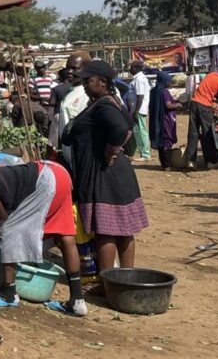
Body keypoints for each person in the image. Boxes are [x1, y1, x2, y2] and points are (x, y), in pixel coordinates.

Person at [62, 60, 148, 276]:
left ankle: (108, 281)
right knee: (123, 230)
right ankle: (125, 279)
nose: (84, 85)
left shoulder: (104, 105)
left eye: (88, 81)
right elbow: (129, 125)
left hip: (104, 174)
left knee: (105, 232)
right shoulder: (109, 101)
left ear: (101, 82)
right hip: (115, 174)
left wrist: (111, 151)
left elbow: (121, 129)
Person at [0, 160, 87, 316]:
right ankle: (77, 301)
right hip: (59, 173)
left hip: (45, 180)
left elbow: (2, 220)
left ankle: (9, 293)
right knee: (64, 236)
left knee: (10, 229)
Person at [185, 66, 218, 169]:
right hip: (204, 107)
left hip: (194, 103)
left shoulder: (212, 75)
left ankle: (191, 161)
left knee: (193, 133)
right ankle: (210, 162)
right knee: (207, 134)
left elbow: (212, 92)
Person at [55, 52, 92, 167]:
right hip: (69, 156)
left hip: (83, 157)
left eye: (75, 68)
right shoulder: (69, 91)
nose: (69, 72)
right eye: (68, 68)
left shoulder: (88, 93)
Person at [149, 71, 182, 171]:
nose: (169, 83)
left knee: (160, 140)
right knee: (167, 140)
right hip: (166, 119)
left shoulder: (153, 91)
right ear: (163, 81)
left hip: (157, 119)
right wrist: (178, 105)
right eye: (168, 81)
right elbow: (168, 105)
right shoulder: (164, 92)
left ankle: (163, 163)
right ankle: (168, 165)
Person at [129, 61, 152, 162]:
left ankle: (145, 154)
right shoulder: (138, 78)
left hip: (139, 109)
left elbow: (140, 96)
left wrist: (136, 111)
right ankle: (134, 151)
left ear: (136, 68)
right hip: (136, 109)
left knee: (141, 130)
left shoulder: (139, 79)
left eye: (131, 67)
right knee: (136, 130)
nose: (130, 69)